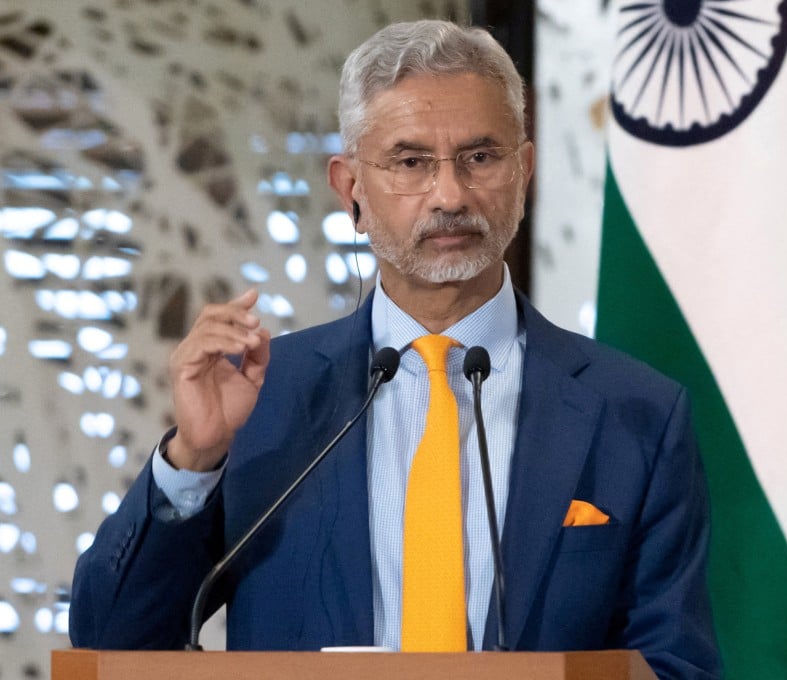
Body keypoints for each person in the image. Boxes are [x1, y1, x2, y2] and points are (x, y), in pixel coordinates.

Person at [70, 19, 722, 678]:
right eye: (411, 162)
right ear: (350, 189)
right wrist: (195, 457)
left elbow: (676, 665)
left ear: (523, 171)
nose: (450, 195)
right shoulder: (266, 395)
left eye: (481, 157)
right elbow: (112, 637)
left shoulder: (636, 413)